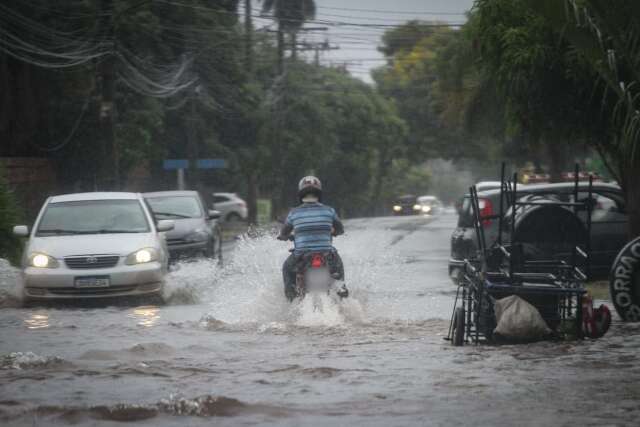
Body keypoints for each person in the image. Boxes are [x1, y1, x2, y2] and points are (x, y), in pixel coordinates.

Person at [277, 176, 348, 301]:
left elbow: (284, 232)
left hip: (301, 256)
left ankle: (291, 296)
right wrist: (335, 232)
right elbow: (340, 229)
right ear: (319, 194)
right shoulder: (329, 211)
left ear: (300, 194)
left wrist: (283, 236)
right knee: (338, 264)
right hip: (327, 254)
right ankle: (342, 288)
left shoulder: (294, 213)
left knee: (287, 268)